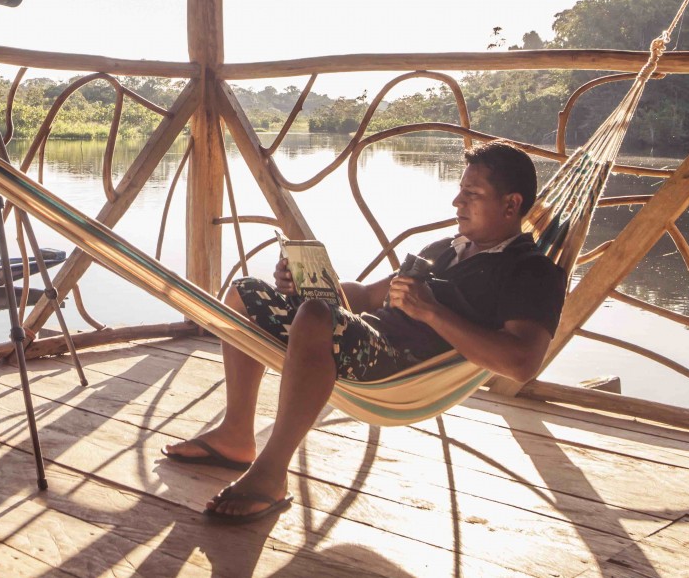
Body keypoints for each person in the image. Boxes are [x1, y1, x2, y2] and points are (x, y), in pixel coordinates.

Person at [163, 141, 566, 524]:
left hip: (401, 366)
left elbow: (522, 363)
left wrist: (431, 311)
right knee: (244, 293)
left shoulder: (531, 271)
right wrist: (306, 283)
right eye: (460, 191)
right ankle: (236, 434)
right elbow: (365, 296)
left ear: (511, 204)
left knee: (317, 316)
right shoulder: (444, 249)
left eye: (471, 194)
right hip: (361, 337)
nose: (456, 202)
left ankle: (272, 473)